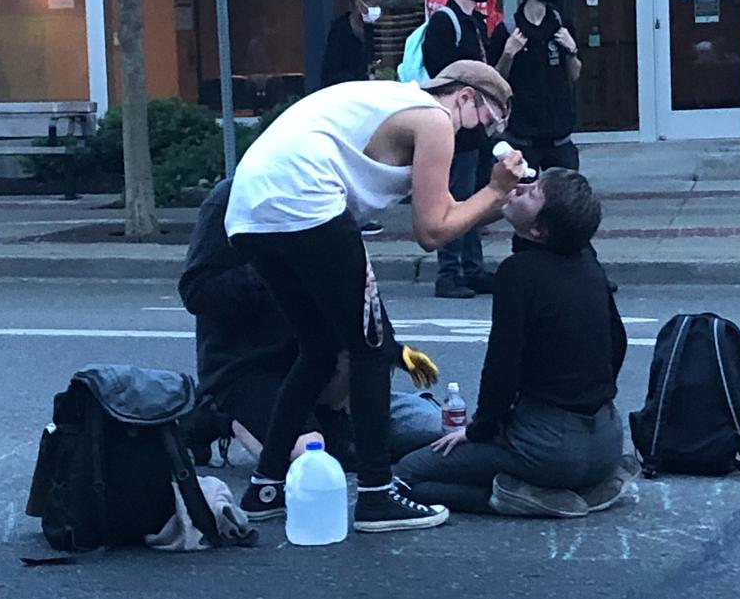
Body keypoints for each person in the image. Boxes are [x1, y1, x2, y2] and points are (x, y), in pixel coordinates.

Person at [224, 60, 524, 533]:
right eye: (486, 120)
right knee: (371, 348)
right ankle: (377, 494)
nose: (483, 135)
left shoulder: (396, 100)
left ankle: (265, 487)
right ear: (464, 97)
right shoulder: (435, 119)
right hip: (307, 197)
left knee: (320, 350)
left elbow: (447, 215)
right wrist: (496, 190)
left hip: (249, 210)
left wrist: (493, 200)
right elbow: (432, 231)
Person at [394, 169, 637, 517]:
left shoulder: (519, 273)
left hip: (549, 447)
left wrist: (479, 430)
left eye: (533, 193)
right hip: (607, 443)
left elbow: (502, 368)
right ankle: (584, 487)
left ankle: (523, 497)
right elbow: (617, 341)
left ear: (539, 229)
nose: (520, 188)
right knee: (467, 463)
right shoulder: (587, 263)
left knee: (409, 476)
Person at [178, 178, 444, 468]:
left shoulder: (329, 197)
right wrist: (281, 264)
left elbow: (361, 296)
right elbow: (199, 293)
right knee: (310, 459)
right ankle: (218, 415)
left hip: (322, 375)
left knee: (432, 426)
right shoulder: (232, 199)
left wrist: (397, 352)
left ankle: (334, 422)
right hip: (250, 368)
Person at [422, 0, 498, 299]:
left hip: (475, 125)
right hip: (457, 126)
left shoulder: (473, 22)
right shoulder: (445, 22)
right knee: (455, 197)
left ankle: (472, 267)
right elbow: (442, 76)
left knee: (475, 196)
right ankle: (449, 273)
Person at [488, 0, 583, 172]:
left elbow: (574, 75)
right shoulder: (508, 30)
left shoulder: (561, 25)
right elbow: (495, 80)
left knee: (565, 199)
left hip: (559, 135)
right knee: (524, 196)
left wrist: (572, 50)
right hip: (522, 136)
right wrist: (508, 53)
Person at [319, 0, 387, 237]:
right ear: (359, 4)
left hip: (362, 100)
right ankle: (346, 213)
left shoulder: (369, 30)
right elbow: (332, 68)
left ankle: (360, 213)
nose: (376, 11)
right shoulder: (340, 30)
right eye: (373, 4)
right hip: (341, 98)